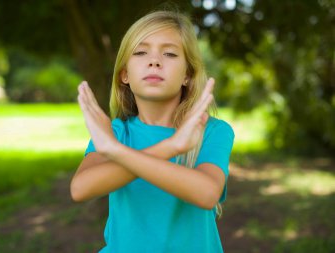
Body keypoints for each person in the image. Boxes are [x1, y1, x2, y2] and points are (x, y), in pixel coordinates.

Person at [71, 10, 235, 253]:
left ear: (187, 75)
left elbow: (207, 193)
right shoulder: (115, 133)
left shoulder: (212, 131)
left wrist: (116, 152)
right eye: (140, 52)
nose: (154, 61)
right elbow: (81, 189)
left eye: (169, 53)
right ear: (124, 74)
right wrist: (169, 148)